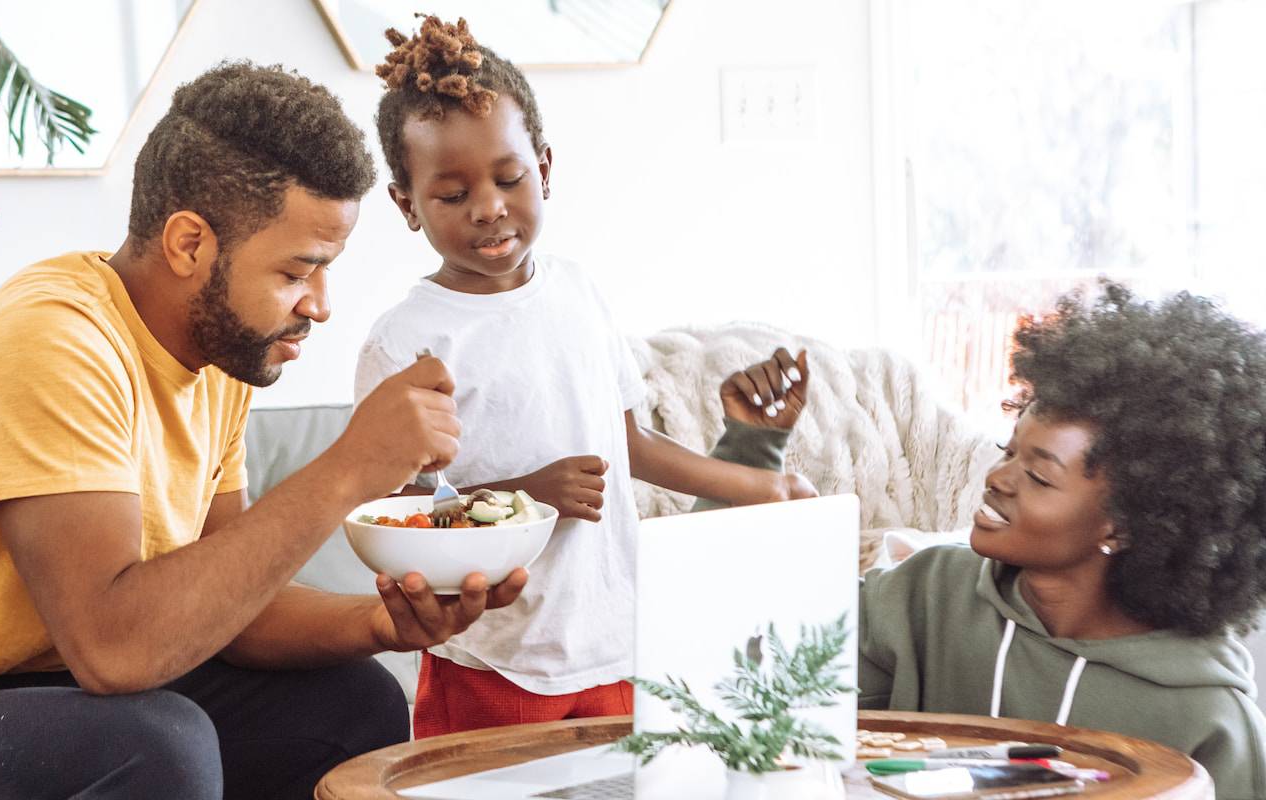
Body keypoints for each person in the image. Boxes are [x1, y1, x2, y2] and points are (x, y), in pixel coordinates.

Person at [0, 62, 527, 800]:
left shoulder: (222, 357)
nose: (321, 304)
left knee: (351, 702)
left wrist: (385, 622)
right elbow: (113, 649)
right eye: (299, 271)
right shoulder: (51, 344)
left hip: (30, 693)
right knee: (155, 746)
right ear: (188, 244)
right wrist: (348, 468)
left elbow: (232, 612)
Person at [353, 15, 815, 739]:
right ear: (407, 204)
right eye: (451, 194)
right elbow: (394, 512)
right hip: (493, 663)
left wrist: (764, 486)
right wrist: (523, 499)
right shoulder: (406, 342)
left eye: (508, 178)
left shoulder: (578, 293)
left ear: (543, 167)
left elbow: (625, 443)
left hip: (617, 647)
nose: (488, 207)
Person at [703, 282, 1266, 798]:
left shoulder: (1208, 714)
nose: (998, 479)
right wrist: (748, 450)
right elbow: (736, 664)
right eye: (1007, 451)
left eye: (1039, 475)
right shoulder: (928, 596)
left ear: (1124, 525)